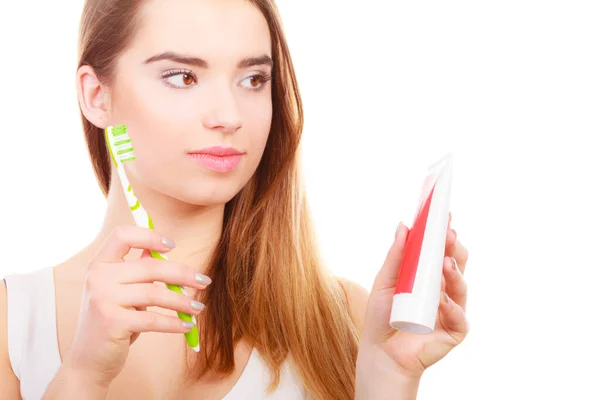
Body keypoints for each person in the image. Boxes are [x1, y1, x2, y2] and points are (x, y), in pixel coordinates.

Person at [0, 0, 470, 398]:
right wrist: (83, 375)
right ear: (97, 95)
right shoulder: (14, 321)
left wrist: (386, 381)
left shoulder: (342, 317)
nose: (228, 116)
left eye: (252, 80)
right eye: (183, 76)